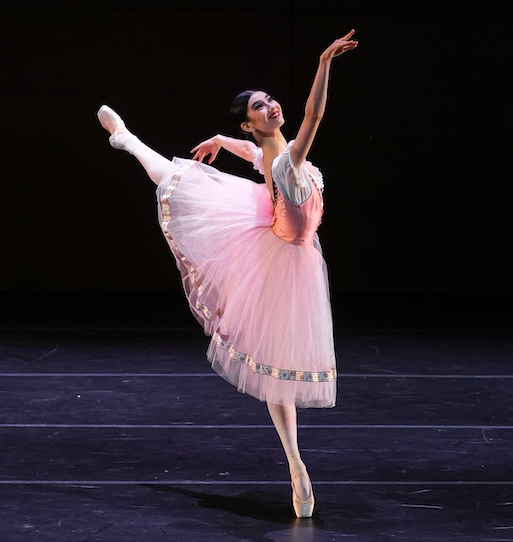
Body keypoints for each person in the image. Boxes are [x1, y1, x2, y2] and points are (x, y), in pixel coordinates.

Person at [97, 30, 358, 518]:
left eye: (270, 99)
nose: (272, 106)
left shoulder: (274, 154)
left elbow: (259, 155)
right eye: (261, 106)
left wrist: (222, 140)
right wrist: (323, 62)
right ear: (251, 122)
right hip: (276, 252)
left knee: (278, 372)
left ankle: (295, 467)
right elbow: (314, 117)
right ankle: (128, 139)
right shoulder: (288, 158)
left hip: (289, 251)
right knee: (180, 181)